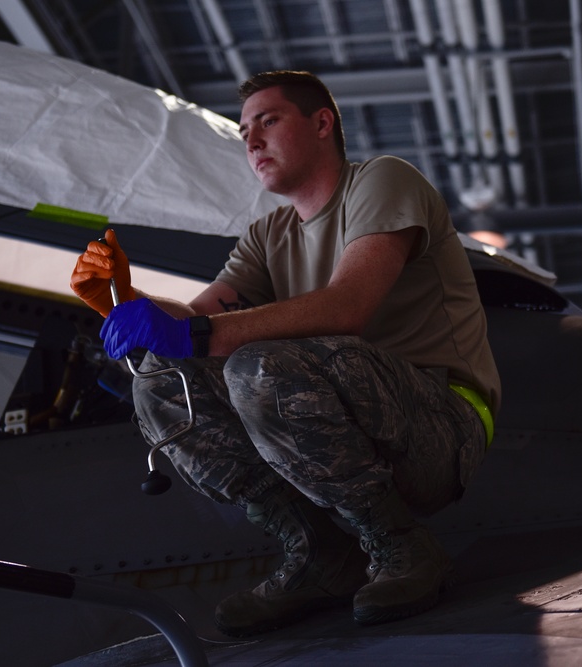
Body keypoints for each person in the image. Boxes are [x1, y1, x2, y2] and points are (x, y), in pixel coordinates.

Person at [70, 70, 500, 636]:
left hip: (441, 425)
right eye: (245, 129)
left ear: (322, 123)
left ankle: (402, 545)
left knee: (258, 365)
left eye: (267, 121)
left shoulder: (382, 181)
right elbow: (198, 325)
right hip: (355, 417)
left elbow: (348, 305)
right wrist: (123, 300)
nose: (250, 141)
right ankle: (320, 551)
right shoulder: (268, 235)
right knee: (161, 379)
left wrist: (194, 334)